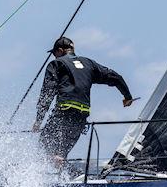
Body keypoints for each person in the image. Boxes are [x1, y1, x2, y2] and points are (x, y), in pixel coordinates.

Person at [33, 36, 133, 165]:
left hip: (64, 111)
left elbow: (47, 93)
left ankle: (55, 173)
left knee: (44, 147)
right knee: (61, 153)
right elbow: (116, 77)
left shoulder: (56, 63)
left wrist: (38, 120)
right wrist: (127, 97)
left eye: (54, 53)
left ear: (59, 50)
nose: (54, 56)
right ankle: (66, 176)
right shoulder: (88, 63)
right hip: (82, 114)